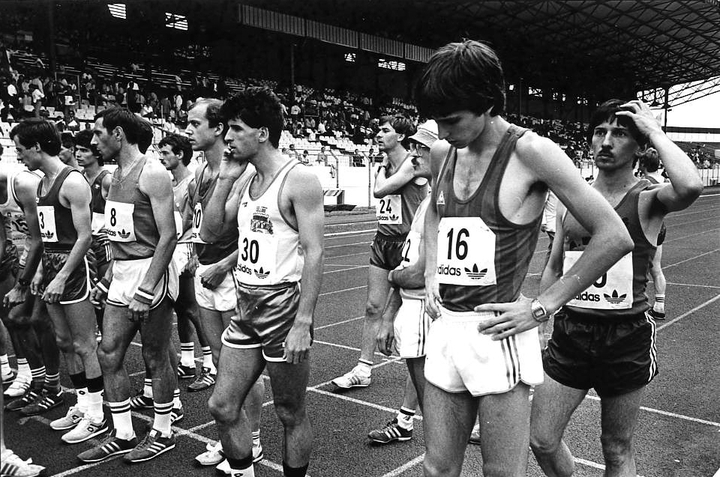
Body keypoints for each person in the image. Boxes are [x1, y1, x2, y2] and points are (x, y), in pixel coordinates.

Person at [414, 40, 634, 477]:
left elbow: (614, 236)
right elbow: (436, 214)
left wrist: (541, 306)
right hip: (446, 329)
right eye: (437, 120)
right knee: (436, 470)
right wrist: (434, 269)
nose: (441, 133)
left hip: (496, 334)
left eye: (452, 120)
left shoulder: (531, 152)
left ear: (489, 104)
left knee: (501, 472)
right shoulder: (443, 152)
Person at [530, 99, 702, 477]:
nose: (606, 141)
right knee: (541, 439)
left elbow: (690, 185)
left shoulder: (647, 199)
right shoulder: (569, 201)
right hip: (571, 331)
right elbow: (554, 265)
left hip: (624, 336)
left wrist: (655, 130)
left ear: (640, 148)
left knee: (616, 447)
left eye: (620, 133)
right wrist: (542, 325)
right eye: (599, 132)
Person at [202, 87, 324, 477]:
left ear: (263, 133)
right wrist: (224, 179)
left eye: (236, 129)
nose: (228, 138)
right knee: (222, 406)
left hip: (283, 307)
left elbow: (315, 252)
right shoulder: (244, 178)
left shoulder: (298, 178)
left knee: (290, 411)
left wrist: (303, 323)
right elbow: (210, 231)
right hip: (245, 304)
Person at [79, 107, 179, 463]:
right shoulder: (112, 176)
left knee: (155, 356)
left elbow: (168, 235)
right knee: (108, 354)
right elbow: (120, 232)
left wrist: (146, 288)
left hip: (149, 272)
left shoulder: (153, 173)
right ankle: (122, 432)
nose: (92, 141)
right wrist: (107, 278)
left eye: (97, 133)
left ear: (118, 133)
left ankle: (163, 431)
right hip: (121, 271)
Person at [10, 119, 107, 447]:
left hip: (73, 270)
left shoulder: (72, 182)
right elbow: (45, 236)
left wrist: (63, 275)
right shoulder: (39, 185)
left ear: (38, 147)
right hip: (51, 268)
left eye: (22, 149)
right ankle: (82, 404)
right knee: (64, 342)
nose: (19, 155)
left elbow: (85, 237)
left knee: (84, 343)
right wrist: (40, 274)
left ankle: (97, 415)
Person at [184, 98, 265, 472]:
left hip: (234, 273)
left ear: (218, 129)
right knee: (220, 360)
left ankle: (256, 441)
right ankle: (231, 438)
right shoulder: (201, 171)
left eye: (195, 124)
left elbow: (257, 233)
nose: (188, 130)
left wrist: (224, 264)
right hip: (205, 269)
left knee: (244, 366)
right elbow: (198, 222)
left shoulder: (247, 173)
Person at [332, 114, 424, 390]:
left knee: (412, 311)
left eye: (385, 130)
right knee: (373, 306)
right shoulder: (385, 164)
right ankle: (363, 368)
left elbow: (381, 191)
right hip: (383, 240)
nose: (378, 134)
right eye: (378, 130)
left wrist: (382, 169)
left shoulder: (412, 163)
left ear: (401, 137)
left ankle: (424, 372)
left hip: (408, 243)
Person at [369, 120, 437, 445]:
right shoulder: (429, 202)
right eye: (413, 145)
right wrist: (386, 317)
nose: (414, 152)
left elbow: (416, 271)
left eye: (422, 147)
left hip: (428, 306)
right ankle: (405, 421)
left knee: (439, 424)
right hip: (414, 305)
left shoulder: (444, 203)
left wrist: (394, 275)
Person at [157, 133, 209, 377]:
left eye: (166, 152)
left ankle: (209, 362)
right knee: (179, 308)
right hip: (173, 247)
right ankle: (187, 361)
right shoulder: (169, 183)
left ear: (180, 155)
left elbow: (198, 219)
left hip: (186, 247)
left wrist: (195, 254)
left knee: (191, 309)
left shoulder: (191, 182)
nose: (161, 156)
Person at [638, 147, 667, 320]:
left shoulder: (645, 182)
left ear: (643, 163)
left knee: (638, 267)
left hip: (647, 227)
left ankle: (636, 304)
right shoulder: (661, 179)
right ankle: (660, 305)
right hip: (660, 226)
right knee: (656, 268)